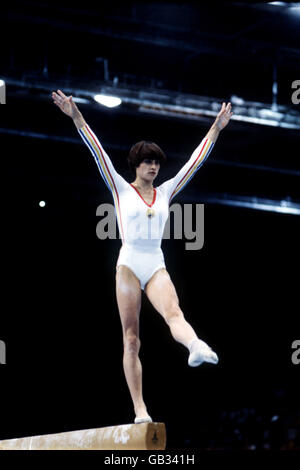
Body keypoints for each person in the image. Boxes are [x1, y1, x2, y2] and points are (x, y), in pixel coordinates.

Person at [52, 90, 233, 424]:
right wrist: (76, 116)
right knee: (132, 338)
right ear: (136, 165)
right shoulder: (121, 188)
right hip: (129, 265)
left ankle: (195, 346)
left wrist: (216, 128)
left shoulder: (166, 191)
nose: (154, 166)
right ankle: (140, 409)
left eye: (157, 162)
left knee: (174, 313)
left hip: (155, 263)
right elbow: (98, 152)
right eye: (149, 162)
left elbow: (196, 160)